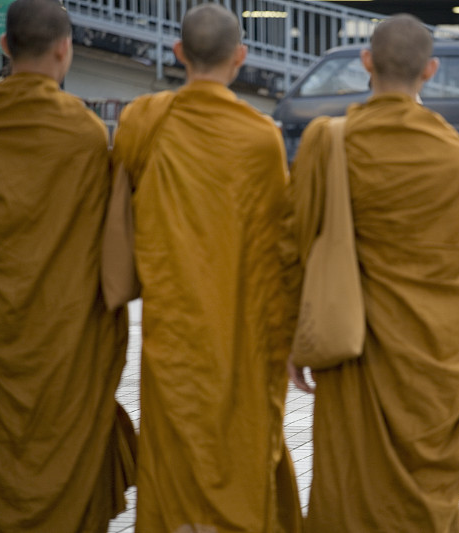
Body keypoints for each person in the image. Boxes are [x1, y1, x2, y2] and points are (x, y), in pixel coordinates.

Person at [0, 0, 136, 531]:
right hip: (66, 344)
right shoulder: (86, 133)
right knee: (64, 459)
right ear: (65, 49)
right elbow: (102, 251)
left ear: (5, 46)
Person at [288, 14, 459, 532]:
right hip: (435, 363)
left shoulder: (328, 141)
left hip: (355, 352)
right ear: (431, 70)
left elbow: (297, 245)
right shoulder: (452, 155)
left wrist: (294, 338)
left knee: (351, 496)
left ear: (366, 62)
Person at [111, 4, 301, 532]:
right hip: (243, 332)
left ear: (178, 53)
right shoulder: (260, 137)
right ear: (241, 57)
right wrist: (293, 335)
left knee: (174, 452)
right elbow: (280, 247)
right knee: (240, 449)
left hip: (172, 332)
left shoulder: (142, 121)